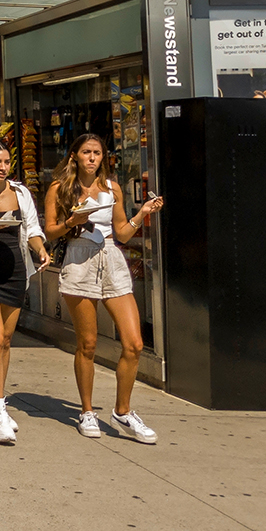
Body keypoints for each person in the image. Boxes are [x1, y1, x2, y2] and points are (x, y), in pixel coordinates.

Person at [43, 132, 163, 444]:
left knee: (134, 343)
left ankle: (122, 411)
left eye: (97, 152)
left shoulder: (112, 187)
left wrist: (142, 214)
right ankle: (86, 411)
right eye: (86, 152)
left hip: (111, 257)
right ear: (75, 157)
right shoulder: (60, 188)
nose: (93, 158)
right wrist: (72, 221)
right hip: (79, 259)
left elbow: (122, 233)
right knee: (88, 343)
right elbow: (50, 230)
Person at [0, 138, 49, 445]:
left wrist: (41, 250)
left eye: (6, 163)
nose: (3, 168)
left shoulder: (20, 192)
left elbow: (32, 228)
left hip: (16, 270)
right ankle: (0, 410)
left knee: (5, 340)